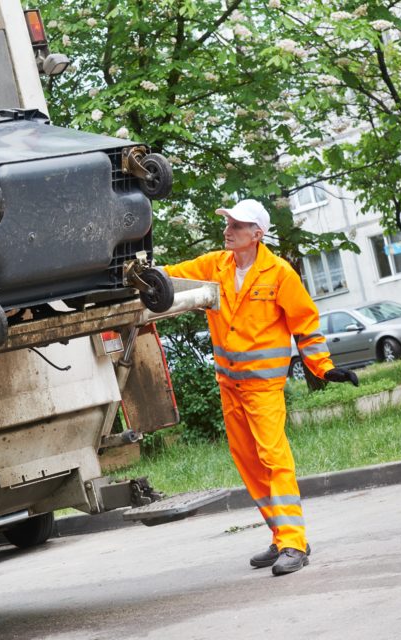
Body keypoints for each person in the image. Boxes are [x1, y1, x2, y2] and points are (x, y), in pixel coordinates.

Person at [162, 198, 359, 576]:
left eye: (236, 225)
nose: (228, 230)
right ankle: (282, 534)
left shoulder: (279, 273)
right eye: (227, 223)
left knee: (274, 459)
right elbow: (168, 276)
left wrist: (323, 367)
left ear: (257, 234)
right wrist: (135, 272)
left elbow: (305, 324)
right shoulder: (214, 266)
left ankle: (294, 544)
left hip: (263, 389)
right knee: (249, 463)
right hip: (230, 386)